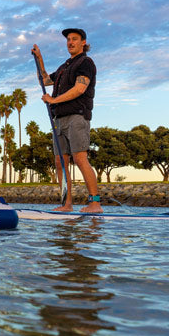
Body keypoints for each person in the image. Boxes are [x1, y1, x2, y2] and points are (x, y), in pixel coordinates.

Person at [31, 28, 102, 213]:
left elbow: (79, 89)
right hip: (59, 119)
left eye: (74, 39)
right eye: (68, 39)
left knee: (80, 158)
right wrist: (39, 59)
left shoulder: (85, 62)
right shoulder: (64, 67)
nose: (70, 42)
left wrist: (53, 100)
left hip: (77, 116)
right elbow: (45, 81)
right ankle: (67, 204)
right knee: (60, 162)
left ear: (83, 43)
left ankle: (95, 203)